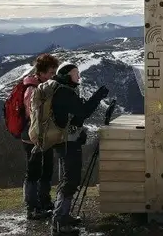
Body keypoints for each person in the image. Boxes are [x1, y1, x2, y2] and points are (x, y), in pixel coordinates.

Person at [45, 62, 109, 235]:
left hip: (65, 140)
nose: (79, 77)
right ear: (67, 75)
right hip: (67, 143)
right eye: (75, 73)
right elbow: (83, 111)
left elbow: (74, 116)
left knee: (68, 179)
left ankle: (64, 215)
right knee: (70, 180)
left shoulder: (61, 90)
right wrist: (98, 96)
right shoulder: (64, 92)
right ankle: (59, 222)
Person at [20, 53, 59, 220]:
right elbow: (33, 115)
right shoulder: (32, 89)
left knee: (47, 168)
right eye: (51, 72)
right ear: (41, 73)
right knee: (34, 171)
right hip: (32, 136)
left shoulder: (45, 86)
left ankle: (44, 201)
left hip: (45, 135)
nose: (53, 75)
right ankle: (33, 207)